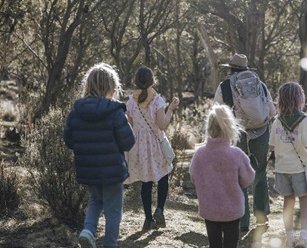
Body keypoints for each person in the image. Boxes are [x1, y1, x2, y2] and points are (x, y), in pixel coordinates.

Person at [64, 63, 135, 248]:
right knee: (113, 211)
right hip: (112, 171)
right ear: (111, 88)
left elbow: (69, 140)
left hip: (89, 170)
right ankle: (109, 245)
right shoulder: (115, 112)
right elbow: (128, 142)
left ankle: (88, 231)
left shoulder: (76, 113)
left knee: (95, 201)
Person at [214, 53, 276, 232]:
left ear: (231, 68)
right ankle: (261, 219)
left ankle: (242, 221)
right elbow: (272, 112)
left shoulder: (224, 86)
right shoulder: (260, 85)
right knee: (260, 173)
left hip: (237, 134)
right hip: (261, 134)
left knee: (237, 175)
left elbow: (217, 114)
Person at [268, 82, 307, 248]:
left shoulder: (277, 121)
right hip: (301, 168)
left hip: (282, 168)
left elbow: (272, 145)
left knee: (288, 203)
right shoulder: (304, 120)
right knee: (305, 203)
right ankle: (304, 238)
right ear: (299, 99)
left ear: (280, 99)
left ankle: (290, 238)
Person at [189, 104, 255, 248]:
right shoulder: (236, 154)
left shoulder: (199, 155)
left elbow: (193, 177)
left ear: (209, 127)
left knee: (214, 244)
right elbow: (248, 179)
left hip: (209, 208)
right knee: (231, 244)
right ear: (229, 127)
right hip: (232, 210)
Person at [124, 66, 180, 230]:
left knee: (145, 182)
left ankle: (148, 219)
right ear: (152, 81)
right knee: (163, 176)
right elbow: (162, 125)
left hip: (138, 146)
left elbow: (131, 125)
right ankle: (160, 210)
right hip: (155, 144)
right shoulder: (157, 100)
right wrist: (170, 109)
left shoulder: (131, 101)